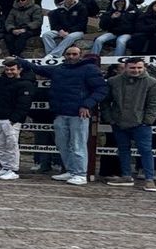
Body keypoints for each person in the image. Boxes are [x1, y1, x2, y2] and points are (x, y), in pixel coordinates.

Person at [19, 47, 107, 185]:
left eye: (74, 54)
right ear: (65, 55)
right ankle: (71, 171)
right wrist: (20, 61)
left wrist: (87, 104)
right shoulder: (60, 69)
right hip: (60, 113)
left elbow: (101, 89)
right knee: (62, 144)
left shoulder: (90, 69)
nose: (71, 56)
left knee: (78, 145)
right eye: (69, 54)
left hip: (79, 113)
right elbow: (38, 69)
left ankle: (80, 174)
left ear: (80, 55)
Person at [102, 57, 156, 190]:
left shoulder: (152, 83)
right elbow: (105, 101)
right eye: (133, 67)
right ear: (126, 67)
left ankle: (149, 179)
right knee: (123, 150)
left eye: (139, 68)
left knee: (146, 151)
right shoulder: (113, 81)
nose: (136, 70)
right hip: (119, 122)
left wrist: (147, 121)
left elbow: (155, 104)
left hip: (141, 124)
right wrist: (110, 118)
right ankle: (126, 176)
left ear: (144, 67)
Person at [0, 58, 36, 180]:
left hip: (12, 120)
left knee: (11, 145)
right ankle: (5, 167)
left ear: (19, 69)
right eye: (7, 69)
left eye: (12, 69)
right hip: (0, 118)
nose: (9, 72)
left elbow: (24, 104)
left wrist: (14, 118)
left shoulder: (26, 84)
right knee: (0, 145)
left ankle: (13, 169)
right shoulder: (4, 81)